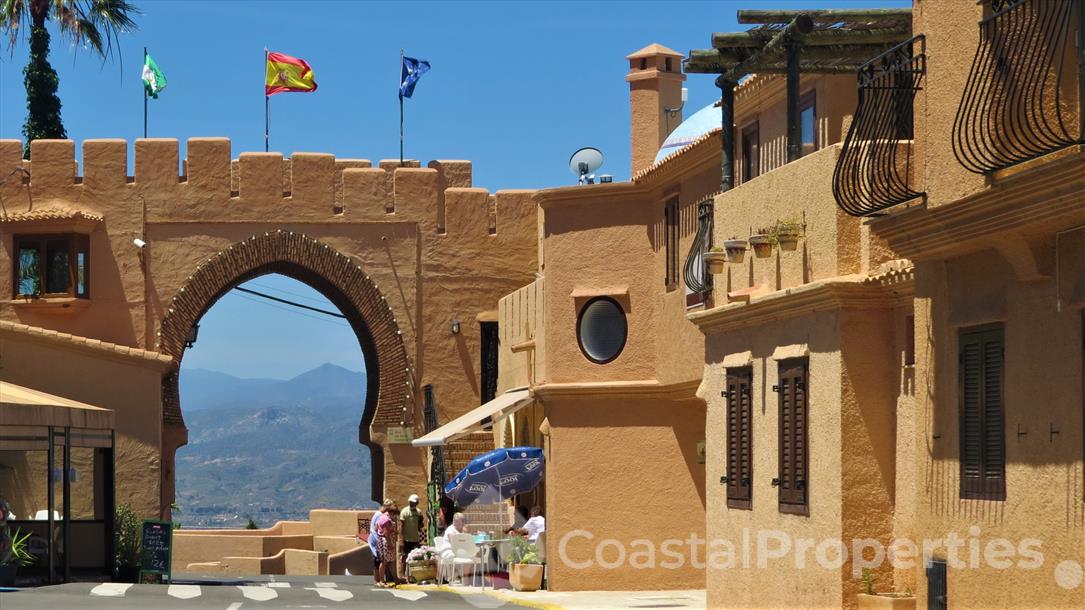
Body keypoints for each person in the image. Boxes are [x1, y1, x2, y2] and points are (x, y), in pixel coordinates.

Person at [399, 494, 425, 577]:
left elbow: (420, 524)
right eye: (410, 502)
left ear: (417, 503)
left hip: (415, 539)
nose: (411, 503)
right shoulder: (404, 512)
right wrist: (401, 540)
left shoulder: (419, 512)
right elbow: (401, 526)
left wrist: (420, 525)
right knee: (404, 557)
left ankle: (413, 575)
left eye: (413, 502)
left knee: (414, 558)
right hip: (406, 539)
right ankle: (403, 575)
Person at [369, 500, 393, 587]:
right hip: (377, 539)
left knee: (377, 560)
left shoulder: (377, 513)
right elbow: (378, 528)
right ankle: (378, 580)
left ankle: (377, 580)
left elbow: (375, 527)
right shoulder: (380, 515)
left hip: (375, 538)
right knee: (379, 560)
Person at [377, 502, 400, 587]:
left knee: (391, 561)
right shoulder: (386, 519)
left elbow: (377, 528)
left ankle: (395, 579)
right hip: (386, 542)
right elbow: (386, 533)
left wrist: (393, 531)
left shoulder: (383, 517)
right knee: (384, 561)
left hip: (389, 540)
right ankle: (382, 580)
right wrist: (390, 544)